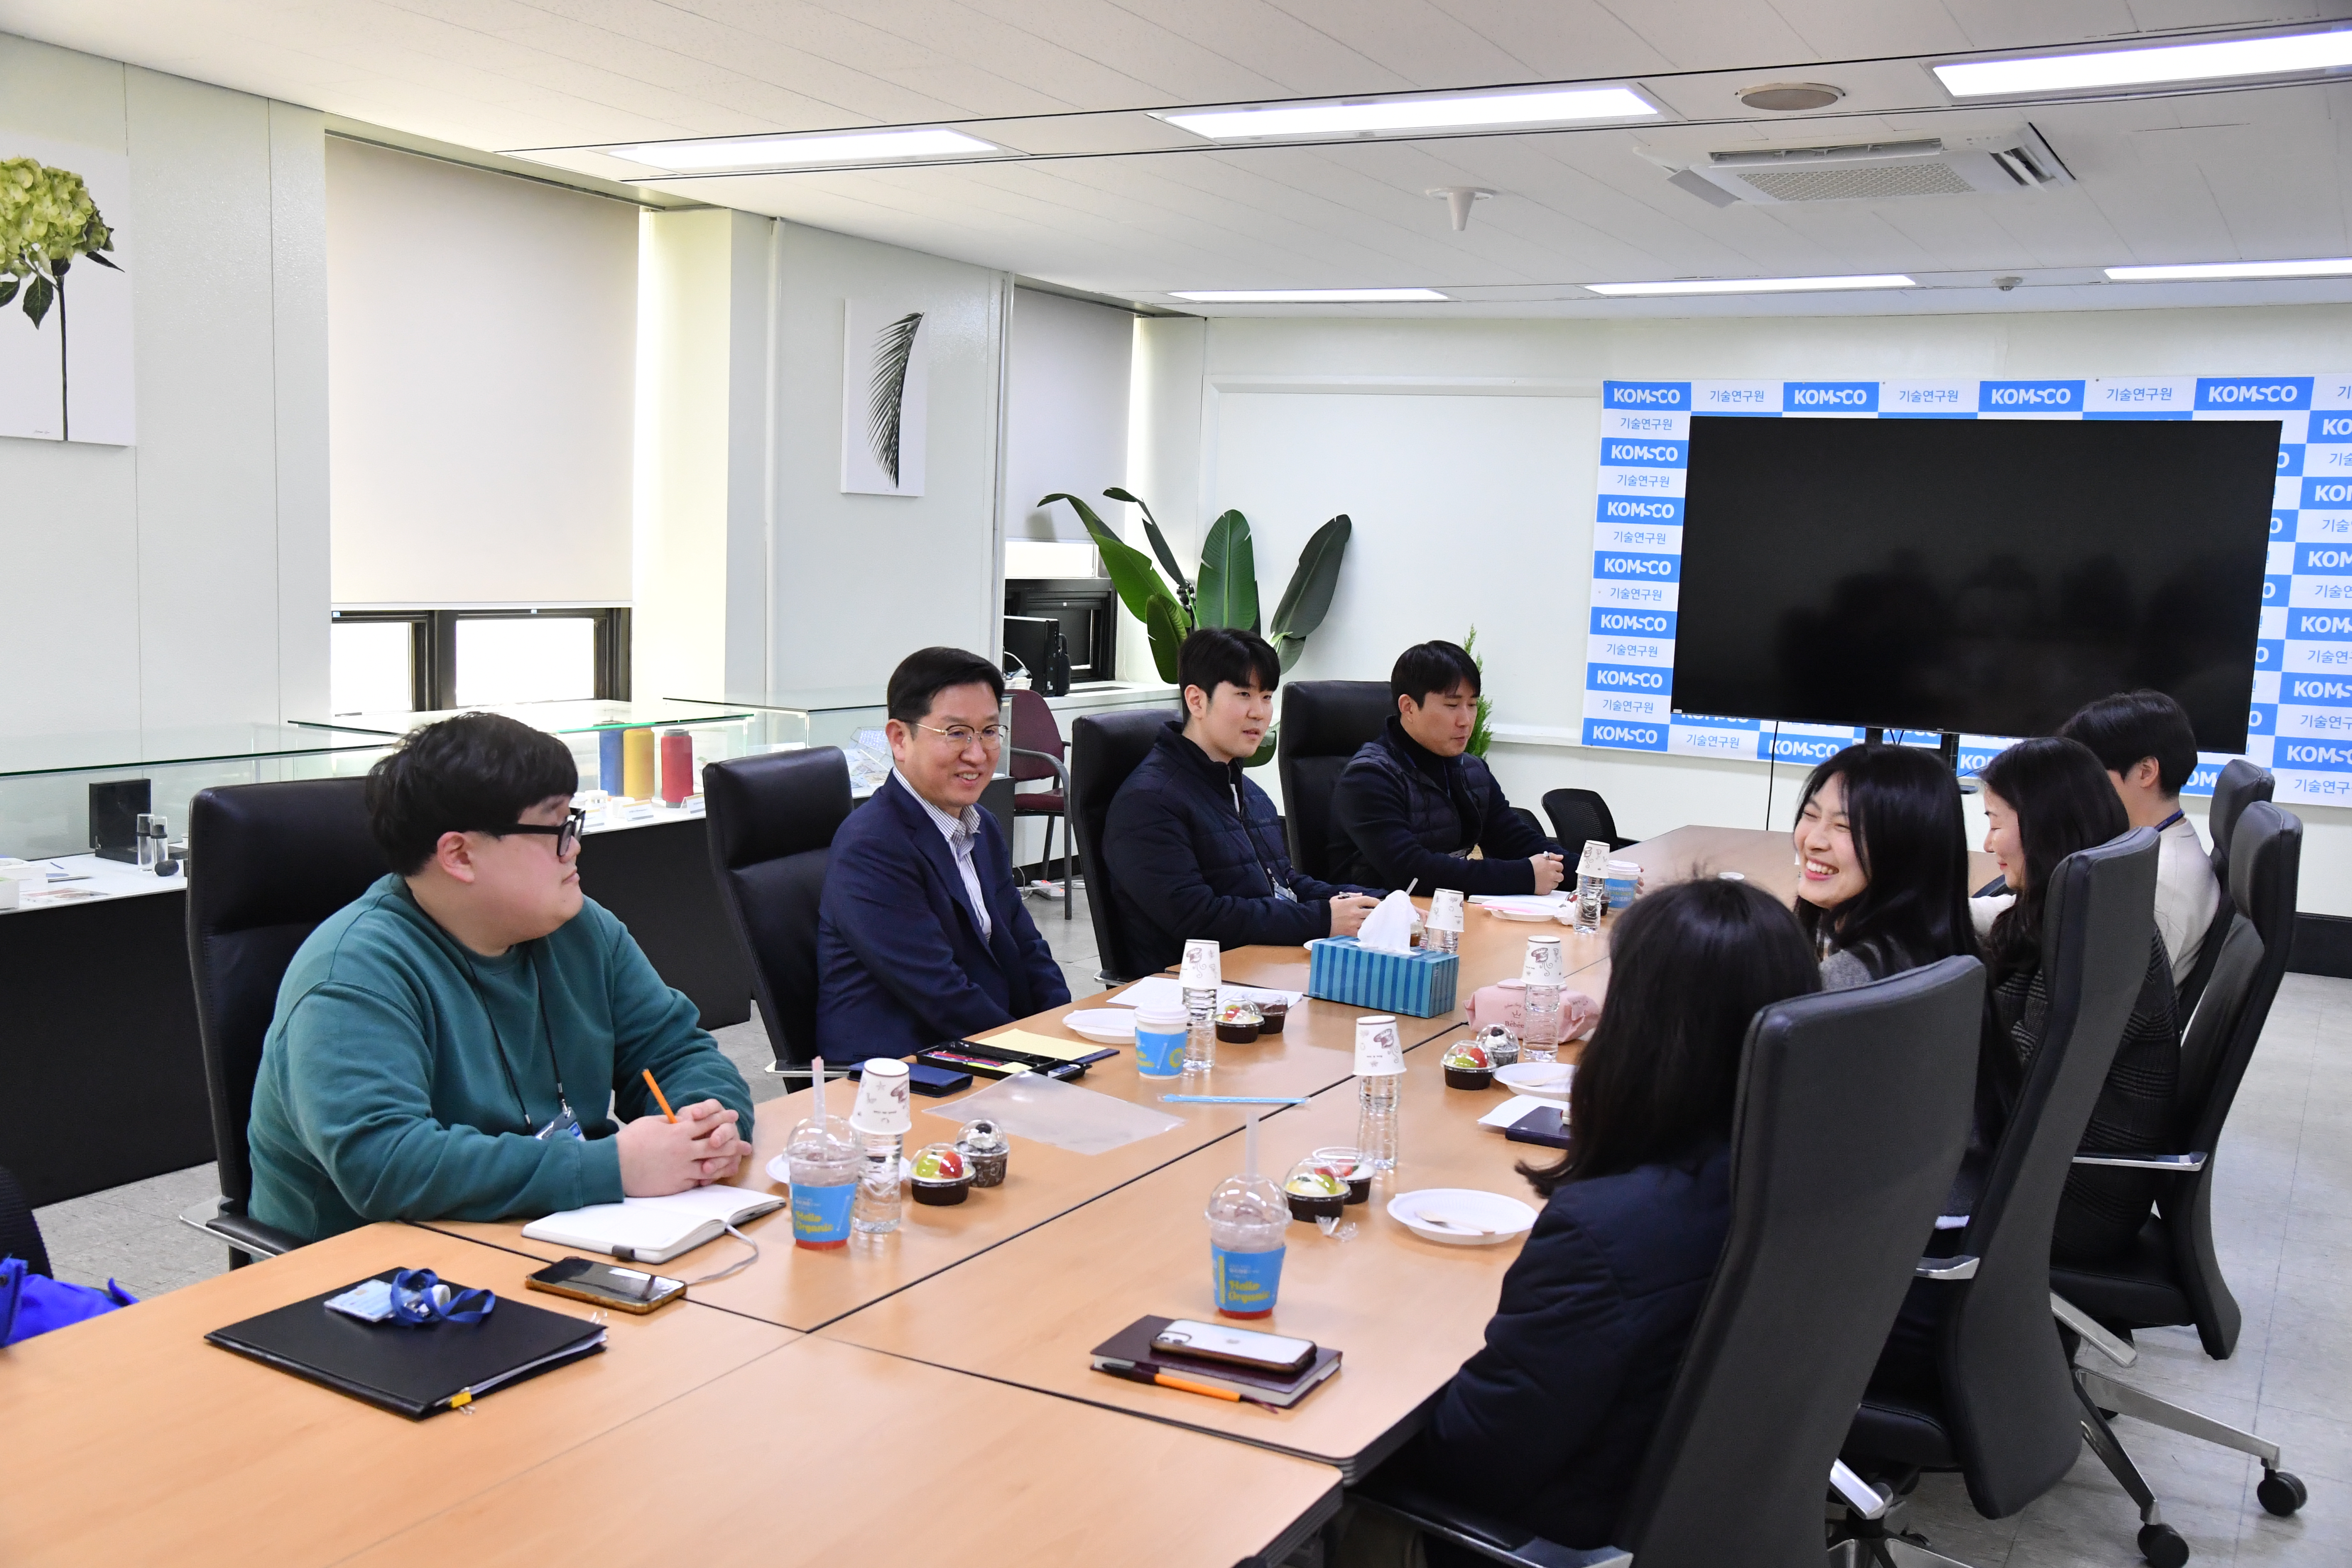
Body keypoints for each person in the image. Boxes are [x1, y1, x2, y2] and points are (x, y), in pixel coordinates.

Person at [1394, 878, 1821, 1552]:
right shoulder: (1811, 1164)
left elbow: (1475, 1456)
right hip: (1729, 1506)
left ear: (1650, 1028)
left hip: (1574, 1522)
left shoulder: (1609, 1231)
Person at [247, 713, 754, 1244]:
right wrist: (610, 1166)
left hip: (544, 1231)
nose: (574, 846)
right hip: (374, 1280)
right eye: (554, 828)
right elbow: (385, 1163)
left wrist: (711, 1126)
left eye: (572, 822)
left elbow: (676, 1051)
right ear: (460, 855)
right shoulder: (351, 974)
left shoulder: (579, 928)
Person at [1974, 736, 2179, 1263]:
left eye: (1996, 822)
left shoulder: (2084, 944)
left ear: (2043, 827)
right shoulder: (2091, 905)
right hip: (2060, 1171)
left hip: (2069, 1203)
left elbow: (2009, 1085)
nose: (1988, 842)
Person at [815, 646, 1070, 1061]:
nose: (977, 753)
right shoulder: (872, 846)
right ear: (900, 739)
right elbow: (940, 993)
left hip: (978, 1047)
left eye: (989, 731)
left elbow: (1028, 948)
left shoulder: (981, 826)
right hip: (906, 1069)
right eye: (956, 733)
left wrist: (1064, 1025)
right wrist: (1036, 1053)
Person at [1105, 627, 1382, 975]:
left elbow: (1284, 886)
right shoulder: (1149, 802)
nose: (1259, 713)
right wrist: (1324, 919)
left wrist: (1374, 903)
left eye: (1266, 697)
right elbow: (1198, 917)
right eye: (1243, 694)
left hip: (1261, 972)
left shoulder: (1246, 791)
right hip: (1194, 994)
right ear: (1196, 701)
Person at [1328, 639, 1566, 895]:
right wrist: (1524, 876)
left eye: (1473, 705)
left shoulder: (1473, 771)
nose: (1466, 720)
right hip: (1380, 922)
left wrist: (1595, 874)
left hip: (1448, 914)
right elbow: (1412, 872)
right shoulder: (1369, 777)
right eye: (1452, 706)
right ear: (1409, 708)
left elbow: (1516, 841)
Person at [2057, 689, 2223, 988]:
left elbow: (2118, 1006)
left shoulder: (2157, 884)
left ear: (2145, 772)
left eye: (2090, 771)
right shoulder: (2147, 848)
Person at [1790, 743, 1977, 990]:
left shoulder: (1845, 980)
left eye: (1844, 827)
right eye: (1811, 815)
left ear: (1904, 849)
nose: (1813, 841)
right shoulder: (1937, 952)